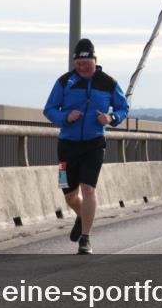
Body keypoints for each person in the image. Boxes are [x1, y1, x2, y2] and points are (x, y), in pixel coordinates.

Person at [43, 38, 130, 255]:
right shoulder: (65, 81)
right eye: (78, 63)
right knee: (68, 193)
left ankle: (86, 238)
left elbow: (123, 107)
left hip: (94, 143)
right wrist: (66, 117)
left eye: (87, 63)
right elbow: (49, 109)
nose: (82, 67)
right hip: (67, 145)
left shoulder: (108, 82)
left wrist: (111, 118)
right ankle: (83, 216)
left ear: (94, 60)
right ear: (74, 62)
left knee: (88, 188)